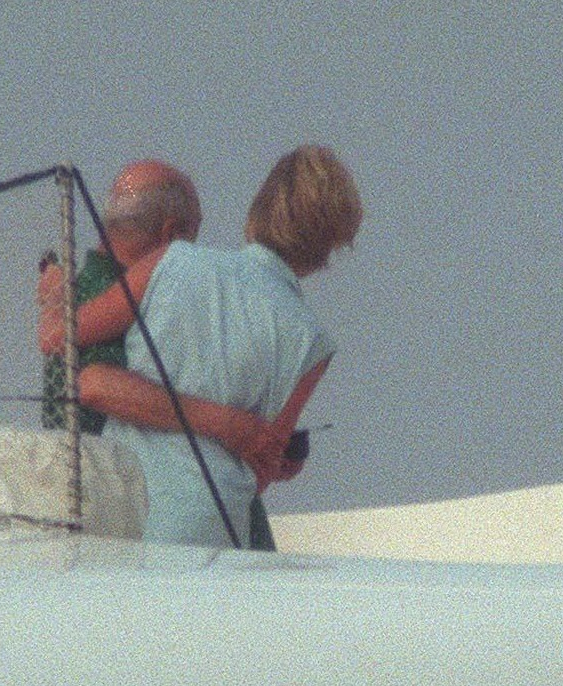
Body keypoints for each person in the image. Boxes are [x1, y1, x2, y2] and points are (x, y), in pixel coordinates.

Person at [40, 144, 363, 548]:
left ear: (259, 210)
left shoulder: (170, 260)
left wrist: (55, 291)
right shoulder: (313, 342)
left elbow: (62, 338)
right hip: (212, 525)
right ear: (328, 246)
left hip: (122, 507)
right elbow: (260, 467)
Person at [40, 159, 201, 435]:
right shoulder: (150, 297)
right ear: (171, 233)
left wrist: (55, 300)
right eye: (194, 232)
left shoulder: (76, 290)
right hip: (120, 467)